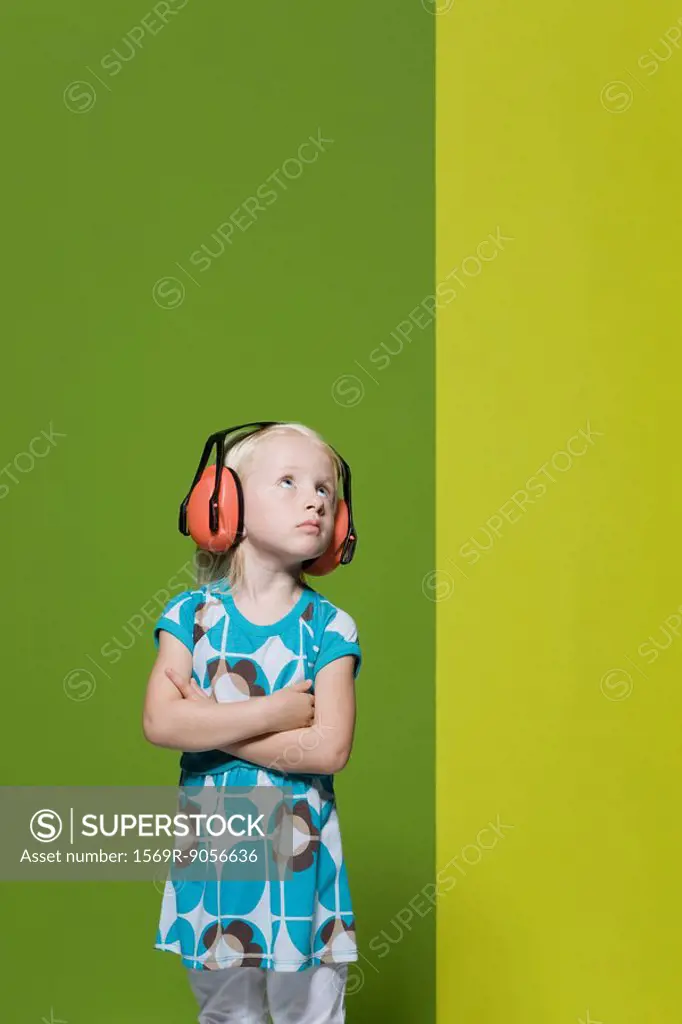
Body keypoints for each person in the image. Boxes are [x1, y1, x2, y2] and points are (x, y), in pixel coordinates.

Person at [142, 421, 362, 1024]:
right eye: (288, 482)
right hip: (218, 866)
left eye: (324, 488)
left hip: (302, 869)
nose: (315, 498)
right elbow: (161, 722)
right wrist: (274, 712)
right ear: (226, 504)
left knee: (310, 1017)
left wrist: (212, 720)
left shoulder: (330, 628)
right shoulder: (189, 615)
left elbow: (328, 748)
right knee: (226, 1017)